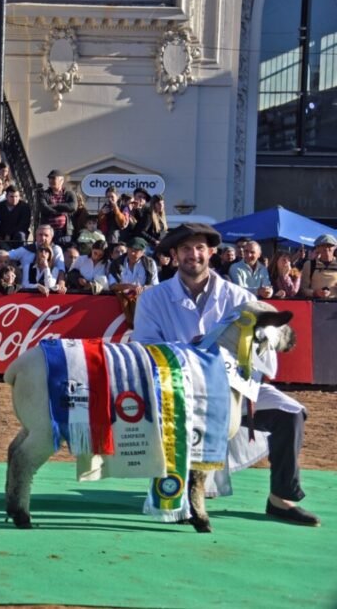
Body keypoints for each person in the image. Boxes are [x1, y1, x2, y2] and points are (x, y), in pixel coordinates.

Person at [132, 222, 319, 526]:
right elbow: (146, 349)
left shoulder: (239, 297)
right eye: (186, 249)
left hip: (233, 392)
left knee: (290, 412)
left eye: (200, 248)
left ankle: (281, 499)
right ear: (176, 255)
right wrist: (192, 352)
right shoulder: (153, 298)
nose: (193, 254)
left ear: (212, 253)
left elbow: (266, 359)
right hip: (177, 395)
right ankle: (178, 493)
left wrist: (243, 351)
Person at [299, 233, 336, 299]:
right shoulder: (309, 265)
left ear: (335, 247)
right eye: (322, 245)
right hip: (315, 305)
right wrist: (315, 293)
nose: (326, 248)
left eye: (329, 245)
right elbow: (303, 289)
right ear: (317, 248)